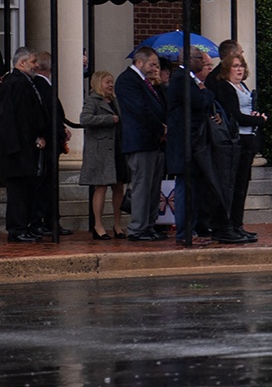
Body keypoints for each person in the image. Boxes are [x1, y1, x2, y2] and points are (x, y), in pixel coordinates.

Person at [167, 47, 250, 245]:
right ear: (190, 59)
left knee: (194, 188)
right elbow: (199, 100)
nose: (204, 64)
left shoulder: (188, 79)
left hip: (193, 142)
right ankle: (185, 234)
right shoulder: (181, 79)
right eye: (201, 60)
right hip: (184, 142)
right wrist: (205, 93)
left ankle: (193, 231)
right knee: (185, 188)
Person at [116, 46, 168, 241]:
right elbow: (140, 109)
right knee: (142, 186)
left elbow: (160, 106)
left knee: (154, 187)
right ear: (139, 62)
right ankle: (137, 228)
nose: (156, 68)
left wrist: (159, 84)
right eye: (152, 64)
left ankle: (149, 225)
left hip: (154, 142)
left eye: (157, 65)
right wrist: (161, 129)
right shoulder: (127, 80)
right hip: (140, 141)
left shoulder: (149, 83)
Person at [213, 53, 267, 240]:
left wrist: (255, 115)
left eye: (241, 66)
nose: (239, 69)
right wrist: (258, 120)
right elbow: (235, 115)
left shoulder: (242, 86)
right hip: (237, 140)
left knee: (242, 186)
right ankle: (227, 225)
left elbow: (246, 110)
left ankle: (238, 224)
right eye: (235, 66)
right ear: (227, 69)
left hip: (249, 139)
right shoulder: (226, 88)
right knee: (233, 186)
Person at [0, 47, 48, 242]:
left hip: (24, 147)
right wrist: (31, 139)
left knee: (25, 189)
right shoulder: (17, 84)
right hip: (18, 149)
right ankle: (17, 228)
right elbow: (17, 118)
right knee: (18, 191)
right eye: (33, 61)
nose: (36, 65)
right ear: (21, 63)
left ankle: (24, 225)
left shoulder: (24, 83)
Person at [78, 70, 128, 240]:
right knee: (101, 187)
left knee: (119, 187)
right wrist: (108, 119)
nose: (111, 85)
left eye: (112, 82)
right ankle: (98, 225)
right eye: (107, 82)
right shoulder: (93, 101)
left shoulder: (115, 101)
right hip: (100, 151)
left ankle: (117, 224)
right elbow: (85, 119)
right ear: (99, 83)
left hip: (117, 148)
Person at [30, 51, 73, 237]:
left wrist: (61, 128)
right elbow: (43, 114)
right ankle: (41, 220)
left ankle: (51, 219)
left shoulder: (44, 85)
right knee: (44, 183)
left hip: (53, 139)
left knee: (50, 183)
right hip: (47, 142)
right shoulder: (39, 85)